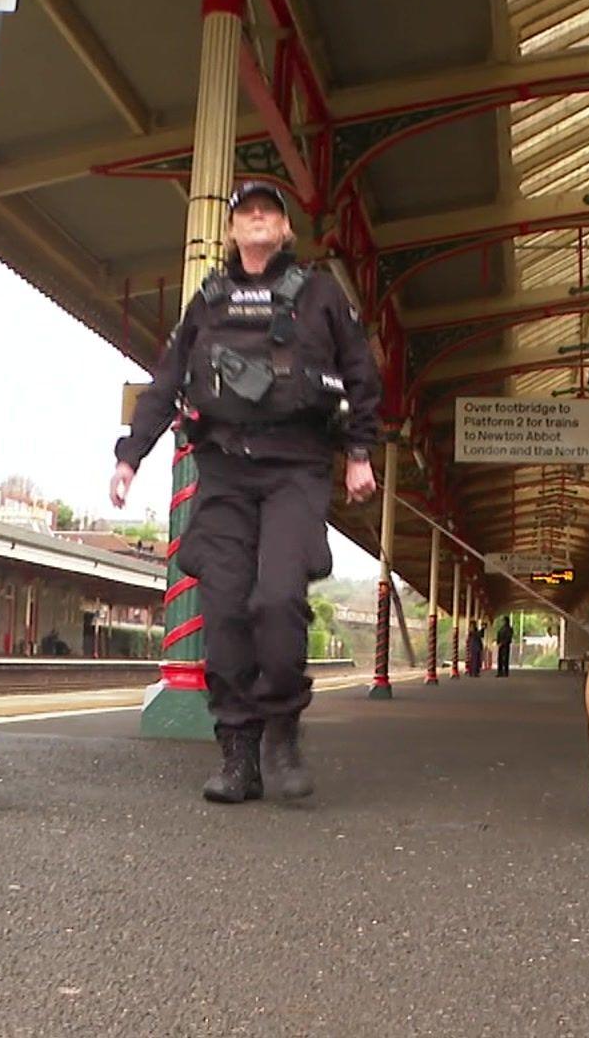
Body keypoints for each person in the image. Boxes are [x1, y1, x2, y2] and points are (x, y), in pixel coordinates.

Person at [109, 181, 382, 804]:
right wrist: (131, 457)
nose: (257, 221)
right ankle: (237, 751)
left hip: (297, 468)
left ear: (285, 229)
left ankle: (281, 729)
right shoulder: (208, 301)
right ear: (231, 230)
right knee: (226, 609)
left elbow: (362, 374)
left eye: (270, 213)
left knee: (278, 600)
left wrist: (360, 452)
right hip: (226, 470)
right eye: (246, 213)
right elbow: (168, 380)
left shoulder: (320, 295)